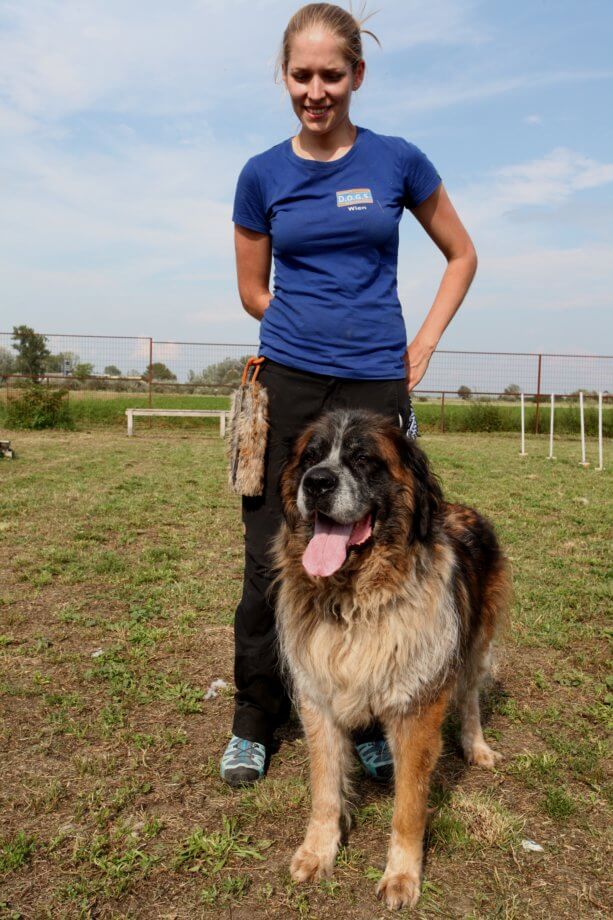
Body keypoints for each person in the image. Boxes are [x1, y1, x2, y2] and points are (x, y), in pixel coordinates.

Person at [221, 2, 477, 785]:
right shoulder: (261, 175)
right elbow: (252, 291)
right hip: (290, 381)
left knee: (378, 551)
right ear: (284, 76)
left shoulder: (397, 161)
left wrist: (420, 343)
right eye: (301, 75)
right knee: (272, 556)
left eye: (330, 75)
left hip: (373, 383)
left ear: (356, 75)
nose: (315, 90)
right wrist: (304, 329)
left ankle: (364, 714)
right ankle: (254, 716)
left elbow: (461, 255)